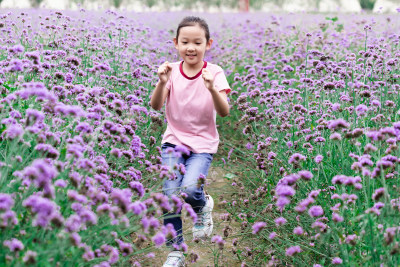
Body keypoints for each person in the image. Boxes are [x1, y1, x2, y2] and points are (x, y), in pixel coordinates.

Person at [150, 16, 231, 267]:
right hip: (173, 141)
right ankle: (175, 252)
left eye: (197, 42)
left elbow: (225, 111)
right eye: (185, 42)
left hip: (202, 145)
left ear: (208, 44)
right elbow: (155, 105)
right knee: (171, 194)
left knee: (190, 190)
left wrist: (211, 89)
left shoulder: (214, 72)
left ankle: (203, 204)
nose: (191, 47)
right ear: (176, 43)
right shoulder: (171, 71)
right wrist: (162, 82)